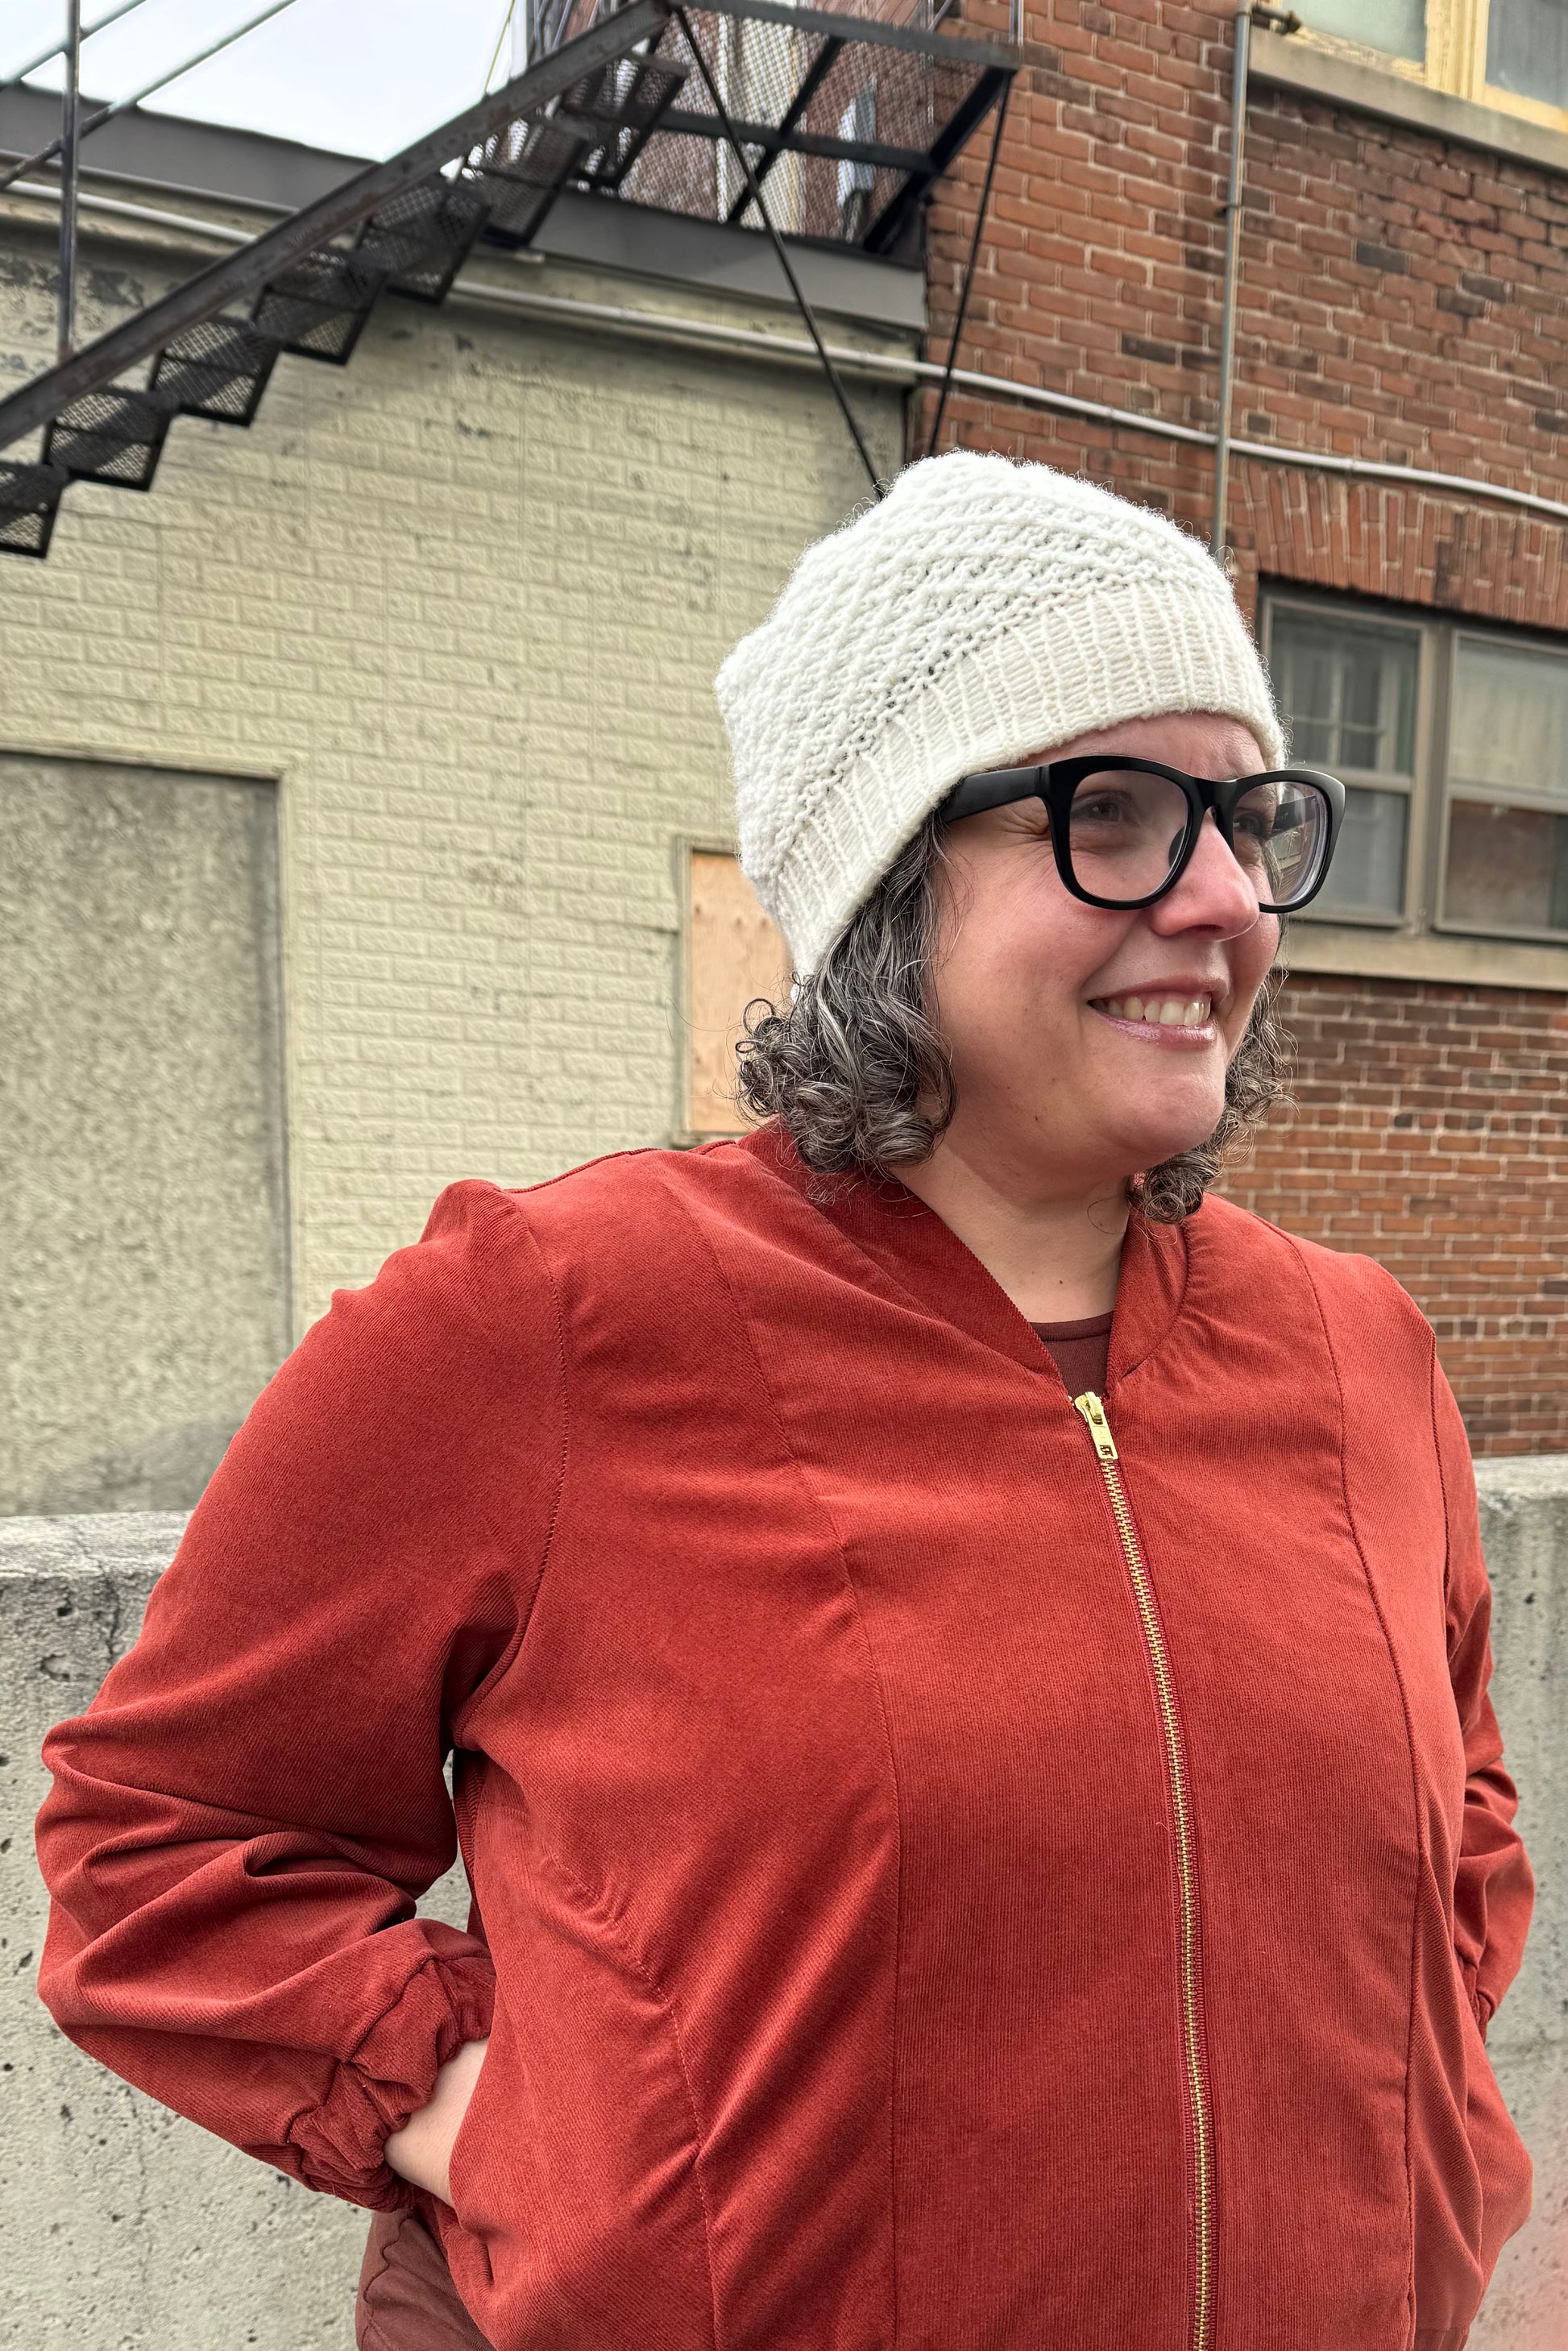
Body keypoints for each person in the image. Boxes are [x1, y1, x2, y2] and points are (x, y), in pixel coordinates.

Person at [35, 453, 1533, 2351]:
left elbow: (1460, 1803)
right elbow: (159, 1846)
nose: (1224, 896)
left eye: (1245, 819)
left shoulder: (1359, 1347)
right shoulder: (548, 1321)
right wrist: (542, 2137)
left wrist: (1413, 2124)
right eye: (1122, 814)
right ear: (888, 876)